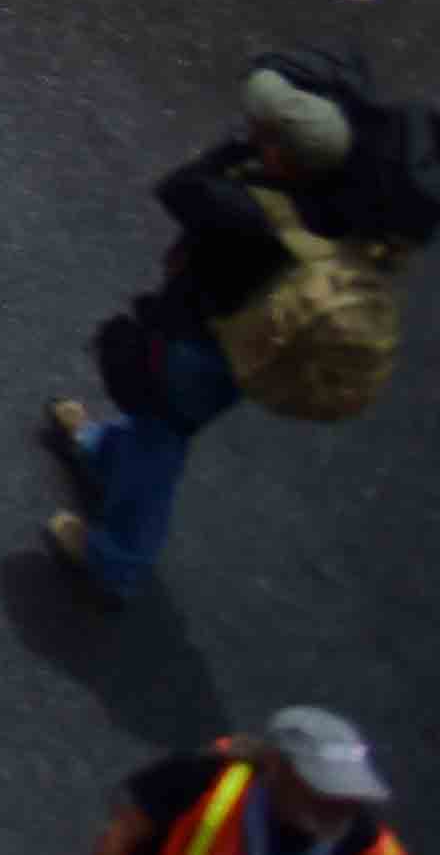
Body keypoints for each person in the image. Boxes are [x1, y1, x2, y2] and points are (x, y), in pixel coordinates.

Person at [49, 53, 428, 600]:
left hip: (208, 346)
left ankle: (116, 561)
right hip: (225, 337)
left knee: (163, 435)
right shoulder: (333, 204)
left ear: (291, 157)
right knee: (155, 417)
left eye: (265, 134)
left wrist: (235, 151)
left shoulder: (259, 213)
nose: (253, 134)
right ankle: (105, 453)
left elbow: (182, 189)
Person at [94, 712, 395, 855]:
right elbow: (124, 833)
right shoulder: (200, 779)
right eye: (325, 789)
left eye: (349, 791)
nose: (340, 808)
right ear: (278, 769)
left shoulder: (358, 835)